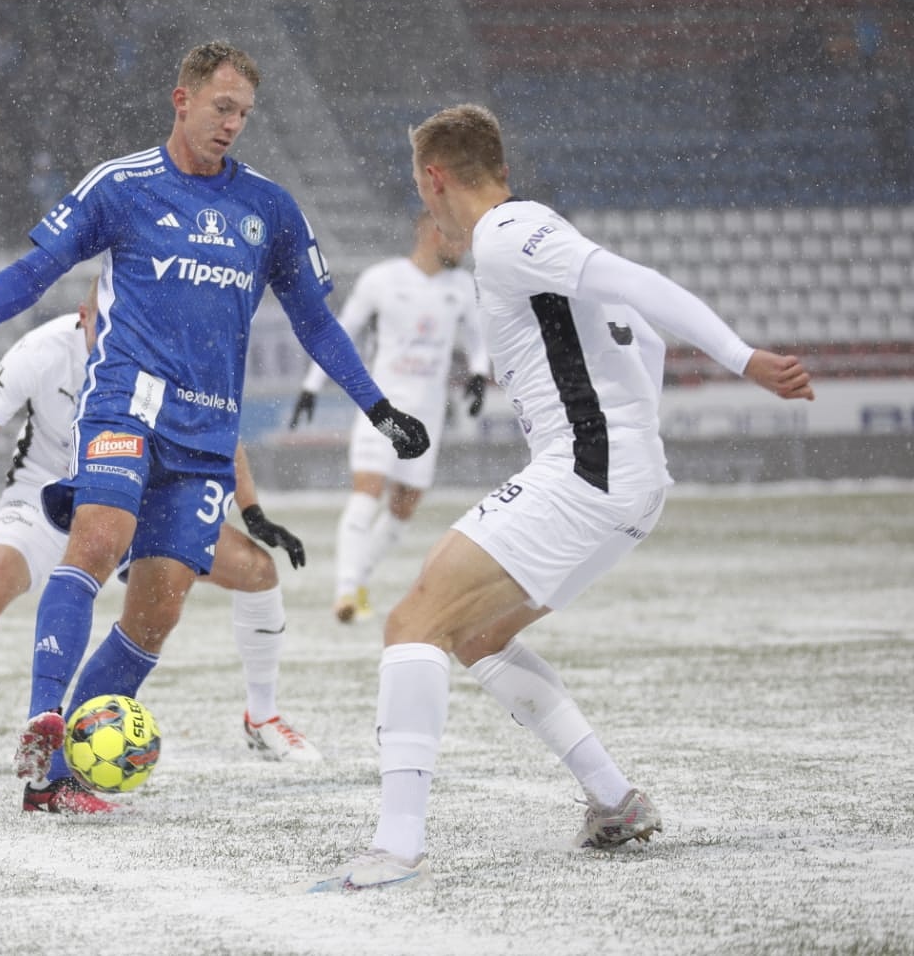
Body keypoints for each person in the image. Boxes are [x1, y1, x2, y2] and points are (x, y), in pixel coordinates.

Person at [0, 41, 430, 813]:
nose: (232, 124)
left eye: (243, 113)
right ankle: (45, 717)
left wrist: (378, 406)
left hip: (208, 432)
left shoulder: (269, 210)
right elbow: (35, 271)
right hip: (126, 401)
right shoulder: (123, 186)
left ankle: (58, 780)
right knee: (97, 538)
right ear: (181, 100)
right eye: (221, 107)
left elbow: (317, 322)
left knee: (155, 613)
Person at [311, 104, 815, 893]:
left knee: (415, 622)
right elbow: (636, 331)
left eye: (420, 187)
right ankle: (614, 801)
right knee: (475, 636)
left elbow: (641, 286)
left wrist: (742, 357)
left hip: (587, 471)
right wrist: (637, 440)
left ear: (433, 180)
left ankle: (396, 846)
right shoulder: (538, 242)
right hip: (624, 480)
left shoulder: (511, 234)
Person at [0, 285, 320, 802]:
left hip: (137, 500)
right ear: (84, 317)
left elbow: (219, 431)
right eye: (107, 323)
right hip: (47, 493)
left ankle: (262, 716)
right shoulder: (41, 352)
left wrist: (252, 512)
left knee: (257, 571)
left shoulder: (165, 347)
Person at [288, 210, 490, 623]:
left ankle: (358, 578)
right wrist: (311, 386)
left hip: (429, 412)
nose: (463, 246)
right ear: (429, 229)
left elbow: (477, 337)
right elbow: (340, 332)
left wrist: (479, 374)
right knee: (368, 490)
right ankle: (345, 592)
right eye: (456, 236)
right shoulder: (381, 280)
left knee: (403, 509)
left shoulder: (462, 287)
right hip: (381, 407)